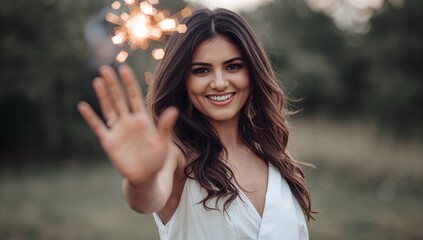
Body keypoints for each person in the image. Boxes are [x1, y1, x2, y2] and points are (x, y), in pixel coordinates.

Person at [78, 8, 314, 240]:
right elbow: (145, 199)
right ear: (183, 80)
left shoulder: (273, 157)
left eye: (233, 66)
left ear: (252, 72)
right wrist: (141, 180)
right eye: (201, 70)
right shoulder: (178, 156)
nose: (220, 83)